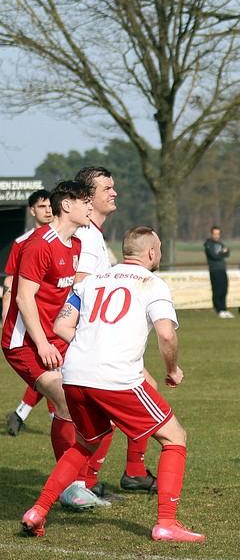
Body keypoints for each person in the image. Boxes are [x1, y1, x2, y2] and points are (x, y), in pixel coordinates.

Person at [21, 226, 203, 542]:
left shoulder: (91, 281)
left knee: (85, 444)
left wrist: (91, 345)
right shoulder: (152, 283)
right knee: (175, 437)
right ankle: (166, 523)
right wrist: (172, 369)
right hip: (115, 376)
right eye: (159, 248)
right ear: (151, 252)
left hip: (75, 374)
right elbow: (166, 334)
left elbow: (61, 325)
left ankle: (37, 511)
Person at [2, 181, 102, 509]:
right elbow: (23, 297)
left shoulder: (75, 245)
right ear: (67, 205)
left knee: (88, 399)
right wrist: (43, 342)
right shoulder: (38, 245)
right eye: (85, 202)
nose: (90, 208)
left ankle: (80, 481)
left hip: (54, 338)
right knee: (65, 399)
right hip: (24, 342)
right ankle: (71, 487)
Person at [71, 166, 157, 497]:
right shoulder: (88, 238)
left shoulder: (93, 235)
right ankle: (84, 482)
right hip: (87, 344)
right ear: (87, 197)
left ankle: (93, 480)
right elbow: (78, 292)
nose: (114, 192)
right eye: (107, 188)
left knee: (96, 417)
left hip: (90, 342)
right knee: (96, 416)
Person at [3, 189, 53, 436]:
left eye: (50, 205)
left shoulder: (67, 240)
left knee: (52, 373)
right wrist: (5, 318)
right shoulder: (22, 243)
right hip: (34, 320)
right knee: (52, 373)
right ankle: (59, 420)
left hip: (57, 319)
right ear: (32, 210)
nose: (48, 210)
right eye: (42, 206)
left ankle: (21, 413)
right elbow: (11, 282)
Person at [204, 226, 232, 318]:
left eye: (218, 234)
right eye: (215, 234)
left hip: (222, 269)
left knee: (224, 289)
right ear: (212, 234)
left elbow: (227, 253)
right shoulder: (208, 244)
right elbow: (214, 256)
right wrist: (222, 253)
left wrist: (222, 253)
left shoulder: (220, 243)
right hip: (214, 270)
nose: (216, 236)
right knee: (217, 290)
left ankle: (224, 309)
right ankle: (218, 309)